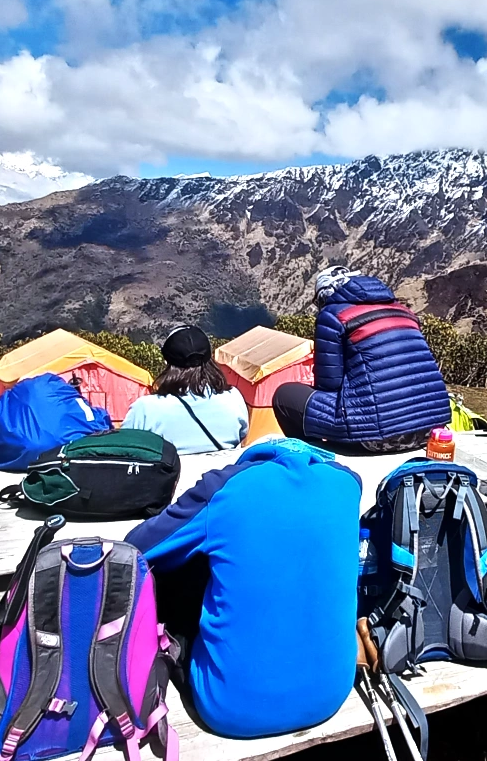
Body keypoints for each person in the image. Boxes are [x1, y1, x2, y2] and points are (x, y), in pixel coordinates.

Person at [125, 439, 361, 738]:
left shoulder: (224, 488)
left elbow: (136, 549)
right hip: (330, 695)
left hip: (229, 709)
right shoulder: (349, 484)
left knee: (181, 569)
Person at [271, 266, 450, 451]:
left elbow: (329, 384)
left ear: (325, 294)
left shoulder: (333, 316)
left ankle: (312, 458)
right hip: (432, 430)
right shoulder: (404, 312)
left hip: (379, 436)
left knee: (284, 395)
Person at [121, 325, 248, 454]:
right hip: (223, 473)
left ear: (167, 362)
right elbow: (242, 434)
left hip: (171, 473)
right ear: (210, 358)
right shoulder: (233, 398)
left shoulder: (144, 409)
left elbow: (124, 448)